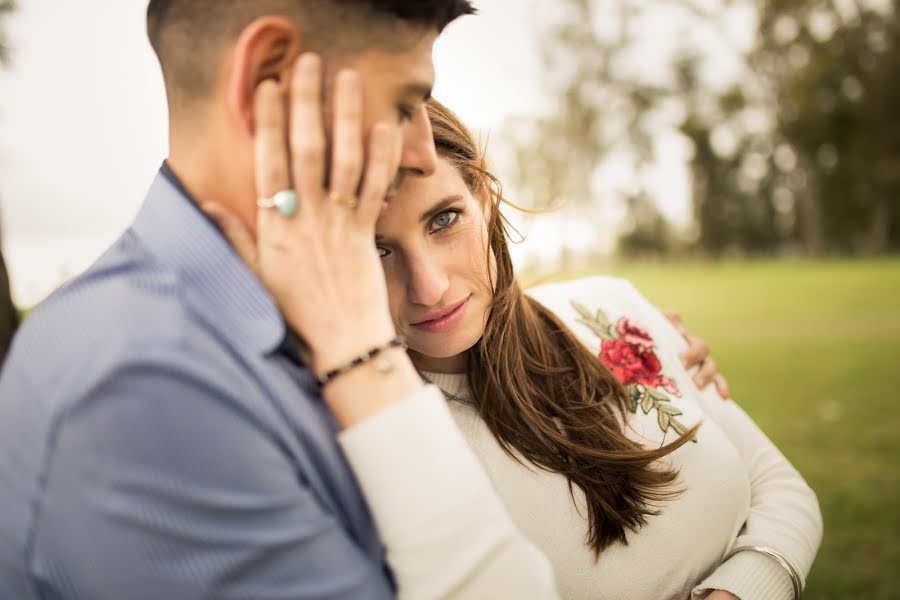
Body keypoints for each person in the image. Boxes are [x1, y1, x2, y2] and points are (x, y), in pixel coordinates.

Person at [0, 2, 572, 598]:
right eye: (403, 105)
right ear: (266, 75)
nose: (423, 152)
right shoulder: (143, 388)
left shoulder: (264, 315)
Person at [216, 99, 823, 600]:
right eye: (378, 249)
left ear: (483, 200)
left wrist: (740, 589)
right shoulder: (377, 445)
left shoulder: (611, 307)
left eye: (443, 219)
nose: (428, 285)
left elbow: (781, 488)